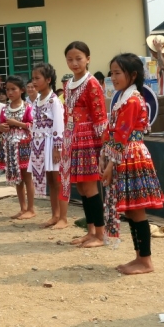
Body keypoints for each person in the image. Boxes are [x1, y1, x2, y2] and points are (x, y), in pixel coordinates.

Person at [101, 53, 164, 274]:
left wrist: (110, 165)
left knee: (137, 211)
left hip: (131, 156)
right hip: (126, 155)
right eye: (112, 73)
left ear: (133, 74)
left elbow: (122, 135)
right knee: (130, 211)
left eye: (118, 73)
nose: (113, 77)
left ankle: (145, 260)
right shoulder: (124, 98)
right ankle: (139, 257)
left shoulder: (130, 100)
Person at [62, 41, 109, 248]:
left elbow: (100, 115)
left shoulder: (91, 83)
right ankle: (90, 231)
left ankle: (100, 233)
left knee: (90, 186)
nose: (74, 63)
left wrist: (103, 146)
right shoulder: (69, 83)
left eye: (78, 58)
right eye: (70, 59)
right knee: (81, 187)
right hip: (73, 137)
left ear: (88, 59)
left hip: (89, 138)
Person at [30, 63, 67, 229]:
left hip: (52, 143)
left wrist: (57, 148)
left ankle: (62, 217)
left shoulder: (54, 101)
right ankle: (55, 214)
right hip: (40, 143)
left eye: (37, 78)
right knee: (51, 181)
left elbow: (58, 125)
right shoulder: (37, 100)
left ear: (48, 79)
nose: (34, 82)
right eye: (33, 78)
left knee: (57, 179)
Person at [0, 75, 34, 220]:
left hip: (24, 145)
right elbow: (0, 126)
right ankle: (23, 208)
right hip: (10, 146)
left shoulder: (27, 107)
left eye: (13, 89)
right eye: (7, 89)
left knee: (27, 177)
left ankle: (31, 208)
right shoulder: (4, 109)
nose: (10, 92)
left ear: (22, 90)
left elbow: (32, 126)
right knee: (17, 178)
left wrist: (17, 123)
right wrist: (1, 128)